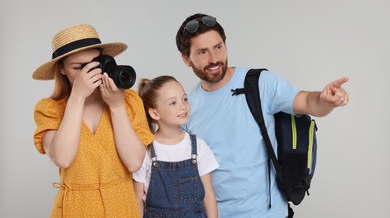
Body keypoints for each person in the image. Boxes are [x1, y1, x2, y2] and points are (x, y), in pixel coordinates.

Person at [175, 13, 350, 218]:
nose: (214, 59)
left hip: (268, 214)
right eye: (203, 52)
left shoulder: (259, 83)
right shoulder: (186, 106)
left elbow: (307, 102)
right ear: (186, 59)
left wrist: (325, 99)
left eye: (218, 47)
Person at [32, 24, 154, 217]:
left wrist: (116, 106)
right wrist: (77, 98)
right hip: (75, 210)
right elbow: (62, 158)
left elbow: (134, 163)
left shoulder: (128, 101)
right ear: (62, 69)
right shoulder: (51, 109)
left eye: (95, 63)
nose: (91, 73)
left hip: (121, 207)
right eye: (80, 67)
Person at [133, 75, 219, 218]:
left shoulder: (198, 146)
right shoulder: (145, 151)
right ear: (154, 113)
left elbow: (209, 196)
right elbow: (137, 201)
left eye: (184, 99)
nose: (182, 106)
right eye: (173, 103)